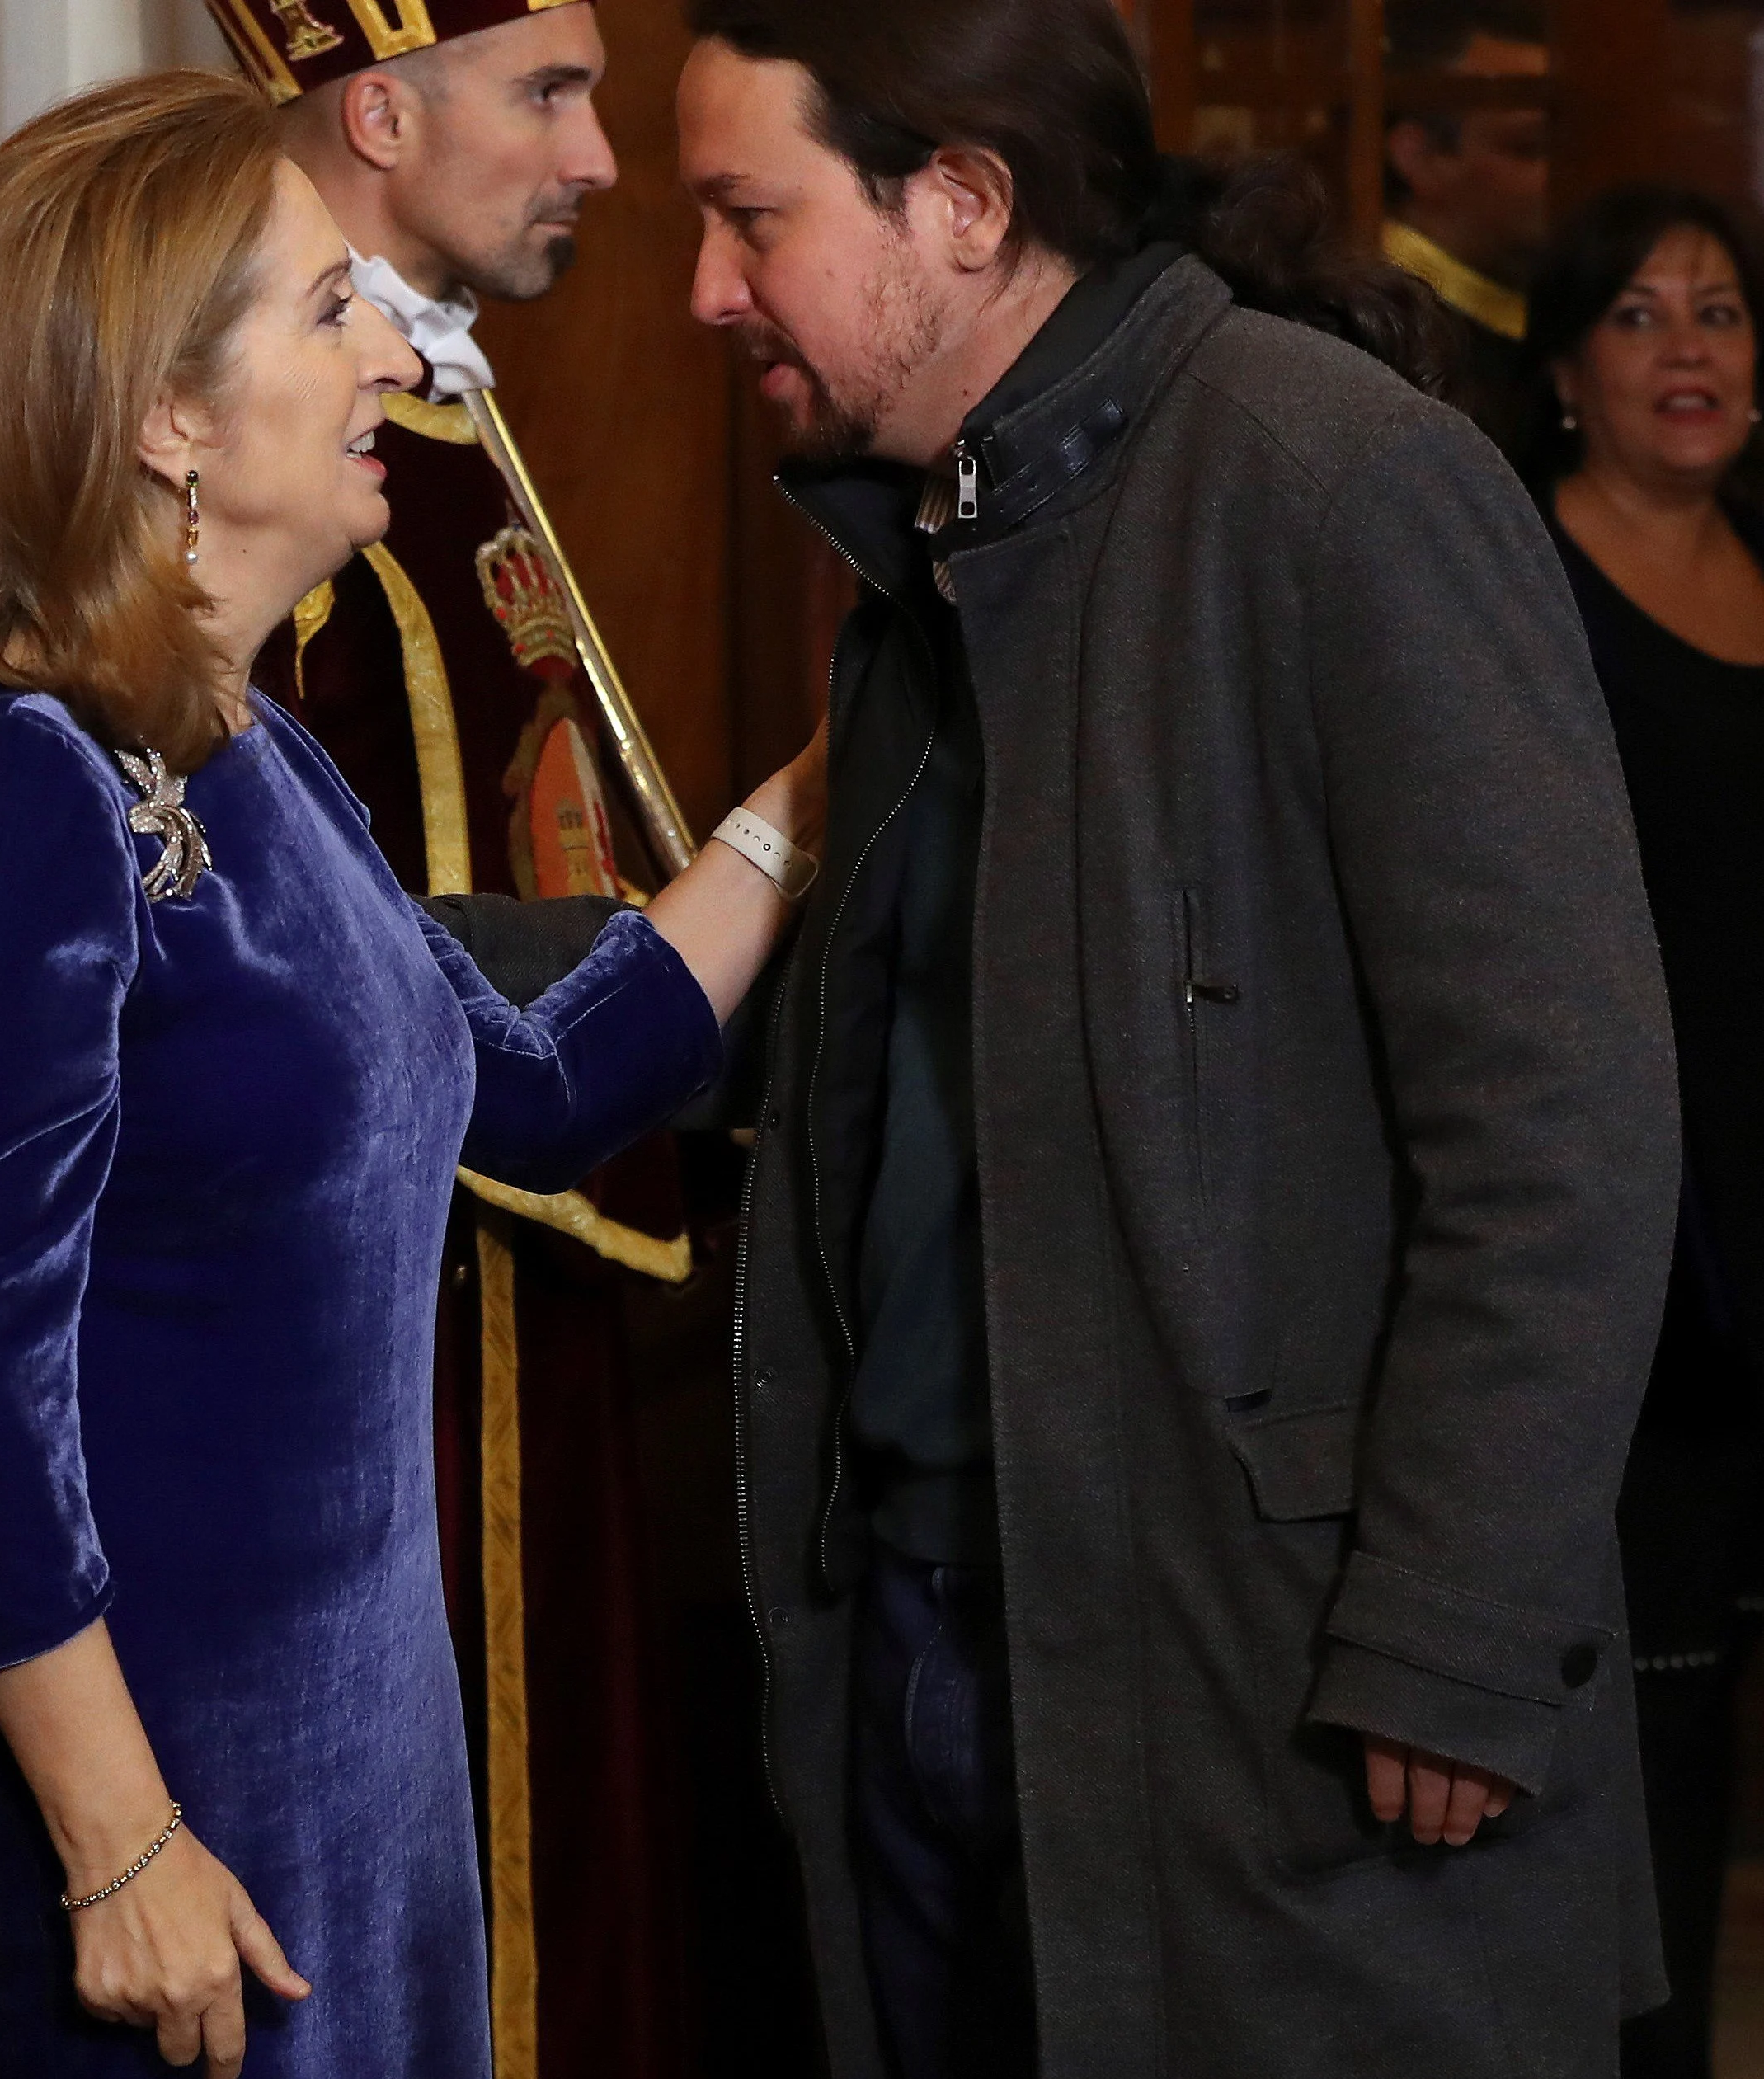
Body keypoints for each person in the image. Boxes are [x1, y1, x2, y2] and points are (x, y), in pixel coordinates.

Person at [676, 2, 1681, 2073]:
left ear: (958, 204)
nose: (707, 290)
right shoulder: (924, 543)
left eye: (745, 216)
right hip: (943, 1658)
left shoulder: (1337, 481)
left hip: (1285, 1702)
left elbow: (1558, 1127)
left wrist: (1456, 1638)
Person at [0, 68, 827, 2079]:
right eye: (329, 309)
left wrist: (811, 794)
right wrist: (117, 1849)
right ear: (166, 416)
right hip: (154, 1826)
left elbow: (527, 1087)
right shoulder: (20, 779)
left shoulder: (240, 750)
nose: (395, 350)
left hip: (344, 1783)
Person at [200, 6, 709, 2062]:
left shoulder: (431, 410)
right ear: (381, 109)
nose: (598, 156)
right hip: (399, 1318)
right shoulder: (282, 476)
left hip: (536, 1250)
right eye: (549, 98)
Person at [1520, 184, 1764, 2079]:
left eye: (1720, 313)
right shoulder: (1520, 592)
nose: (1689, 349)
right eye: (1638, 317)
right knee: (1652, 1797)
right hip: (1645, 1277)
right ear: (1563, 367)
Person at [1383, 0, 1553, 446]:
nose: (1562, 175)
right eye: (1530, 148)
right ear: (1421, 158)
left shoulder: (1554, 308)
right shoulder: (1386, 335)